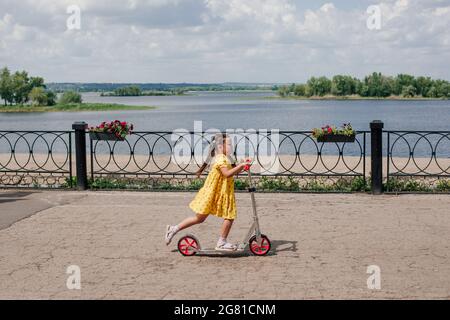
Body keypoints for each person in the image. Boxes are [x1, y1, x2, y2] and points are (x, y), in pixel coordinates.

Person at [165, 133, 250, 251]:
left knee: (200, 218)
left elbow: (233, 171)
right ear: (220, 147)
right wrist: (241, 165)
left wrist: (242, 166)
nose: (231, 147)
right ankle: (221, 242)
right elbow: (227, 174)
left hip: (217, 192)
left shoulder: (225, 158)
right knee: (229, 215)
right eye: (229, 144)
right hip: (216, 193)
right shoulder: (221, 158)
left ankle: (173, 229)